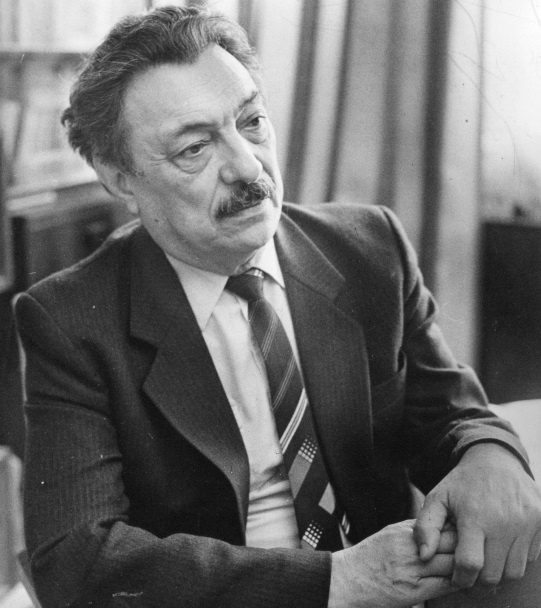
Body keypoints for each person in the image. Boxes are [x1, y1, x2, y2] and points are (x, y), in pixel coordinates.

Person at [14, 6, 541, 608]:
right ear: (120, 180)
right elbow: (77, 561)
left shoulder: (370, 248)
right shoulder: (70, 319)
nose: (247, 165)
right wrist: (336, 580)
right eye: (194, 148)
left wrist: (488, 453)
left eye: (253, 122)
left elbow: (452, 414)